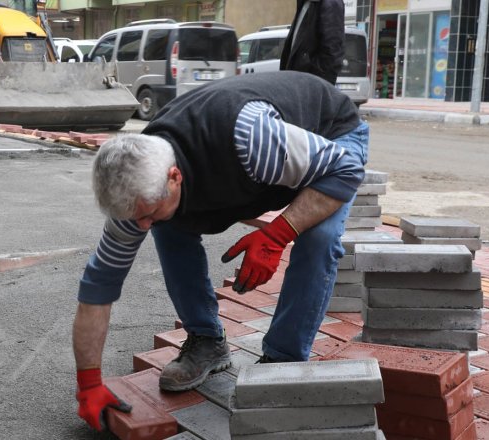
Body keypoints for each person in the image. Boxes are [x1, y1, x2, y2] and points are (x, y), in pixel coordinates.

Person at [73, 71, 368, 431]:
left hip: (331, 138)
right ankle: (207, 341)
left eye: (148, 214)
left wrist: (278, 234)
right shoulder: (137, 188)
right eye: (137, 218)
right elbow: (96, 292)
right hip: (258, 165)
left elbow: (346, 170)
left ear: (174, 177)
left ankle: (282, 362)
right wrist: (88, 383)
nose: (142, 226)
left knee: (319, 239)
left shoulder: (252, 140)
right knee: (169, 228)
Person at [279, 0, 345, 85]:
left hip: (309, 87)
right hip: (296, 84)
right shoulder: (306, 4)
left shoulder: (331, 3)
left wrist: (311, 85)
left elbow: (332, 57)